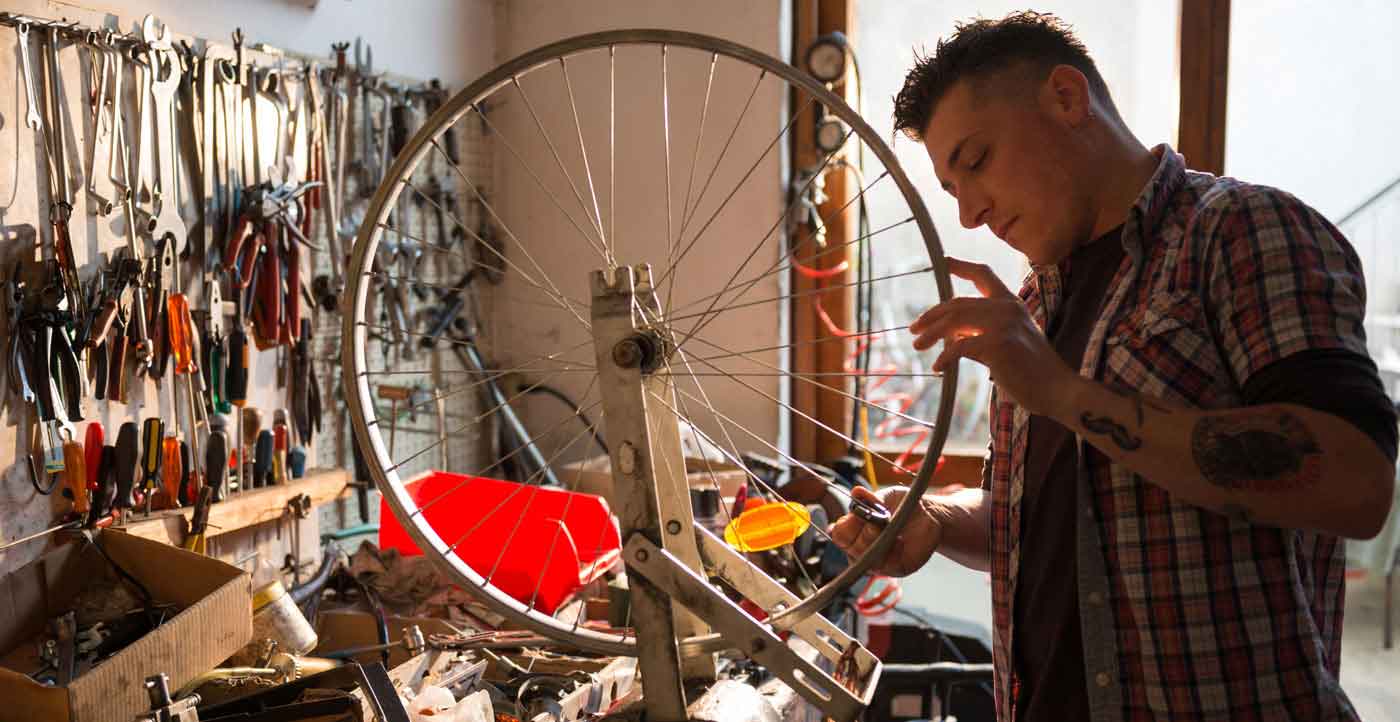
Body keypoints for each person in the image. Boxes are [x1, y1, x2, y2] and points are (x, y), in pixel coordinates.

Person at [829, 11, 1397, 722]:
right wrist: (937, 520)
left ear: (1067, 98)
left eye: (975, 162)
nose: (970, 214)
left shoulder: (1242, 231)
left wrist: (1062, 393)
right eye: (951, 190)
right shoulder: (1036, 303)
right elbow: (1044, 509)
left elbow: (1356, 482)